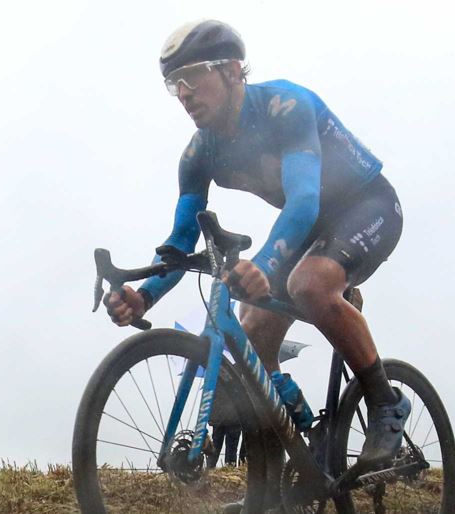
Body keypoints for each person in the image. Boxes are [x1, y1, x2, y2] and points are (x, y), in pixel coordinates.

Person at [105, 20, 410, 474]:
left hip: (368, 204)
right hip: (312, 226)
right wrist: (144, 293)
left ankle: (386, 402)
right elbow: (181, 242)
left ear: (230, 70)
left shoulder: (286, 107)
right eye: (174, 83)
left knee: (309, 283)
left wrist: (266, 263)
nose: (183, 93)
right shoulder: (198, 155)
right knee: (253, 332)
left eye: (192, 77)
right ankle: (274, 482)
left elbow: (304, 200)